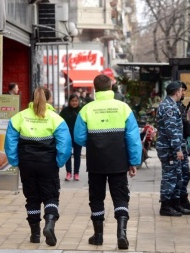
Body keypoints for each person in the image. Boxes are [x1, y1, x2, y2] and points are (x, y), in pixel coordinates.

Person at [74, 74, 141, 250]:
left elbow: (79, 138)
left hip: (96, 162)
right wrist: (133, 161)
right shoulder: (123, 108)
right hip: (118, 161)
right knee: (120, 196)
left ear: (95, 89)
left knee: (96, 198)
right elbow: (133, 138)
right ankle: (121, 234)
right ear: (111, 88)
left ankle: (98, 236)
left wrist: (94, 143)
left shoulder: (87, 109)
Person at [4, 87, 72, 246]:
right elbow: (65, 145)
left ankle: (35, 234)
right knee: (51, 196)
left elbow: (10, 143)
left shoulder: (19, 117)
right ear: (49, 99)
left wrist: (15, 161)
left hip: (27, 163)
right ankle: (49, 224)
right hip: (48, 163)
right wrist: (59, 162)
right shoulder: (56, 119)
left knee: (32, 198)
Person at [156, 81, 188, 217]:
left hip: (172, 147)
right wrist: (177, 149)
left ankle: (175, 203)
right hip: (168, 148)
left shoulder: (171, 105)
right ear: (177, 92)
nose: (182, 93)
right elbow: (171, 130)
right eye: (181, 91)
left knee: (177, 175)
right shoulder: (168, 107)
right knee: (169, 177)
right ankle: (165, 206)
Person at [177, 81, 190, 211]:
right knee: (178, 175)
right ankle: (176, 201)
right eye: (182, 90)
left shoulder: (180, 106)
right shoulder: (172, 106)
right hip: (177, 146)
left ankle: (182, 199)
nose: (184, 93)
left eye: (185, 91)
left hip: (182, 144)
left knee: (185, 174)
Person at [59, 94, 82, 181]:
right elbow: (60, 122)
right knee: (68, 154)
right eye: (72, 101)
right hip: (67, 136)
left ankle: (76, 173)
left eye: (76, 101)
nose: (74, 103)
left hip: (77, 136)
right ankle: (68, 172)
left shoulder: (81, 111)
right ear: (69, 102)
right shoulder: (65, 111)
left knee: (77, 155)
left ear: (78, 101)